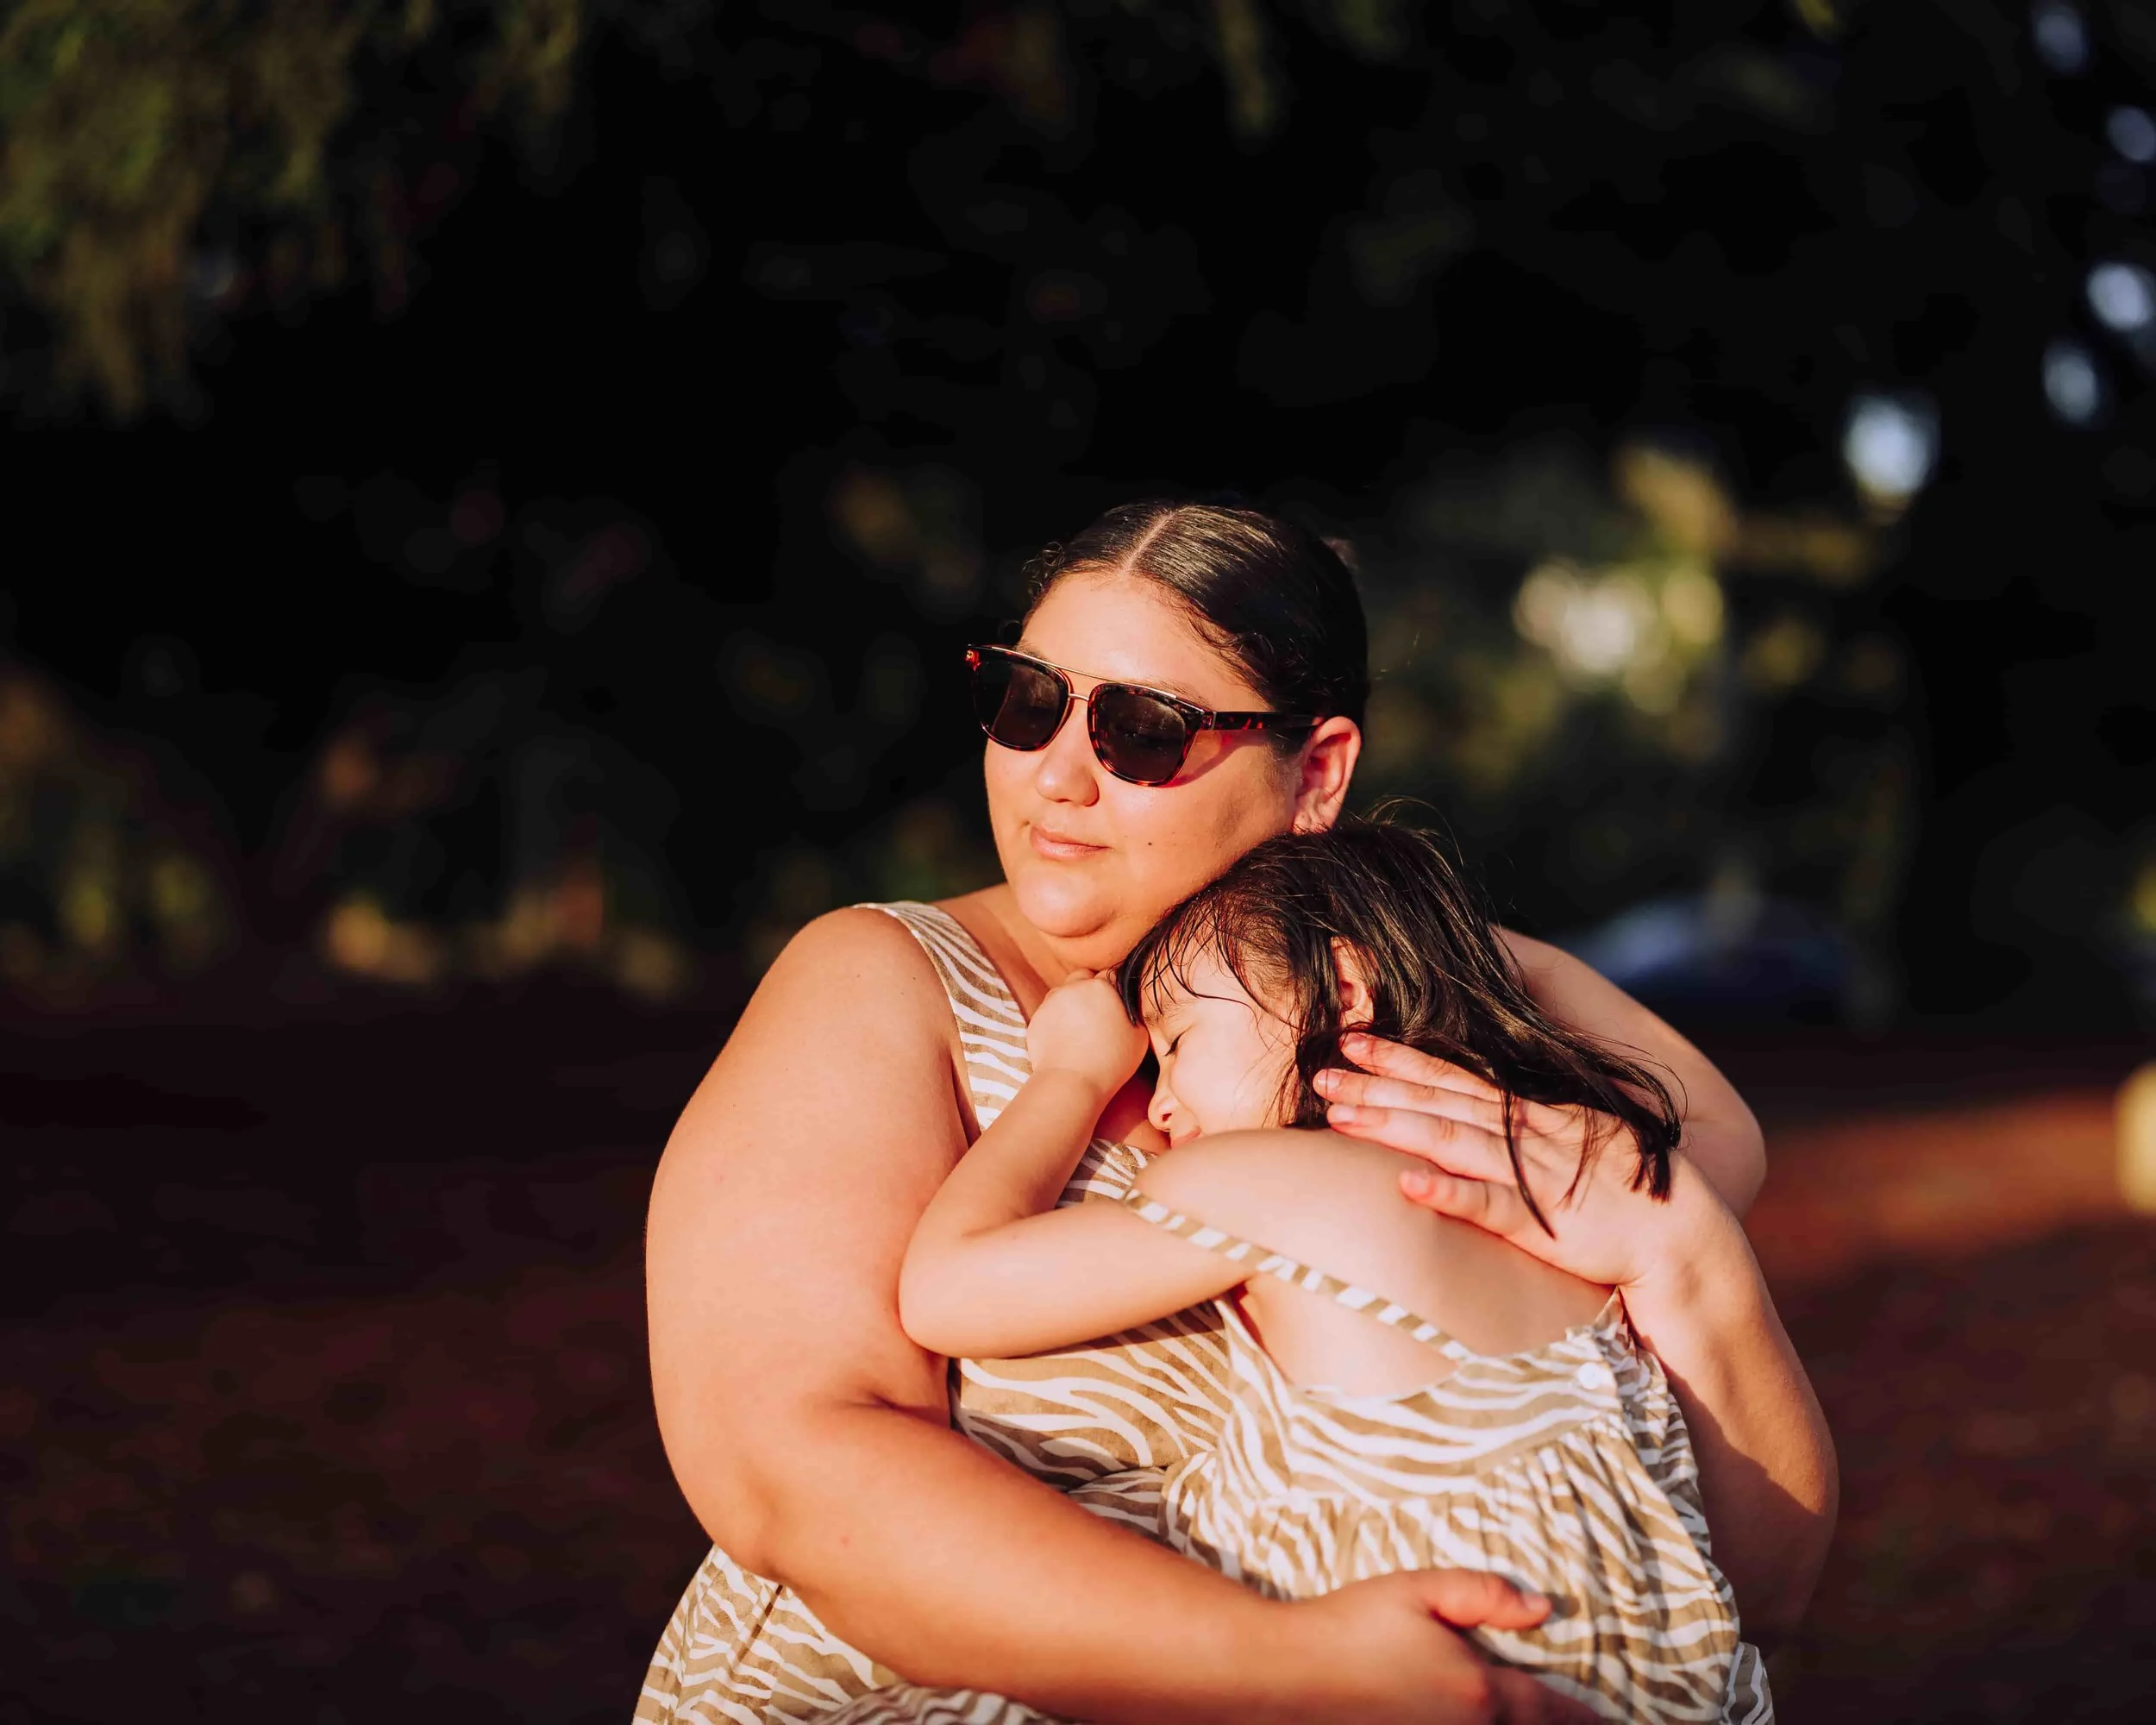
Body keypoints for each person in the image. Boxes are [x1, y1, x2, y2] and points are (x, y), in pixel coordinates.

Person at [640, 502, 1835, 1725]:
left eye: (1142, 731)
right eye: (1029, 702)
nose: (1057, 774)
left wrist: (1672, 1241)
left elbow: (1707, 1163)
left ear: (1315, 773)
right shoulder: (883, 980)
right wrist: (1287, 1667)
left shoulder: (1404, 1005)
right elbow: (792, 1474)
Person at [898, 818, 1775, 1723]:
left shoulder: (1266, 1181)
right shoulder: (1559, 1189)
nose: (1156, 1099)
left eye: (1179, 1039)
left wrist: (1069, 1079)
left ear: (1344, 985)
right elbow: (1727, 1133)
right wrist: (1454, 941)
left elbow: (946, 1290)